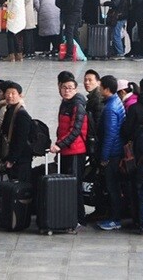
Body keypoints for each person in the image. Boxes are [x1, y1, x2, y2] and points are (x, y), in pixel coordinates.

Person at [49, 75, 88, 227]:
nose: (67, 91)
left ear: (76, 89)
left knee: (74, 184)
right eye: (64, 88)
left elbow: (75, 130)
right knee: (68, 184)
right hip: (66, 150)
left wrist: (60, 144)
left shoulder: (77, 105)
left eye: (70, 88)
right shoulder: (65, 103)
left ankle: (79, 217)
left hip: (75, 151)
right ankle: (69, 214)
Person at [96, 75, 125, 231]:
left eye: (101, 87)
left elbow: (110, 135)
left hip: (113, 153)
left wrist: (104, 157)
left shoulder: (110, 109)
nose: (99, 90)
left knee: (112, 187)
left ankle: (115, 219)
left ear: (107, 89)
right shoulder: (116, 102)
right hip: (116, 150)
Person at [0, 82, 32, 183]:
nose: (10, 96)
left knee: (19, 188)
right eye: (7, 93)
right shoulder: (9, 109)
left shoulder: (22, 114)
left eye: (13, 93)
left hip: (20, 160)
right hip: (12, 156)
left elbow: (21, 139)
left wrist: (12, 159)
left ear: (20, 95)